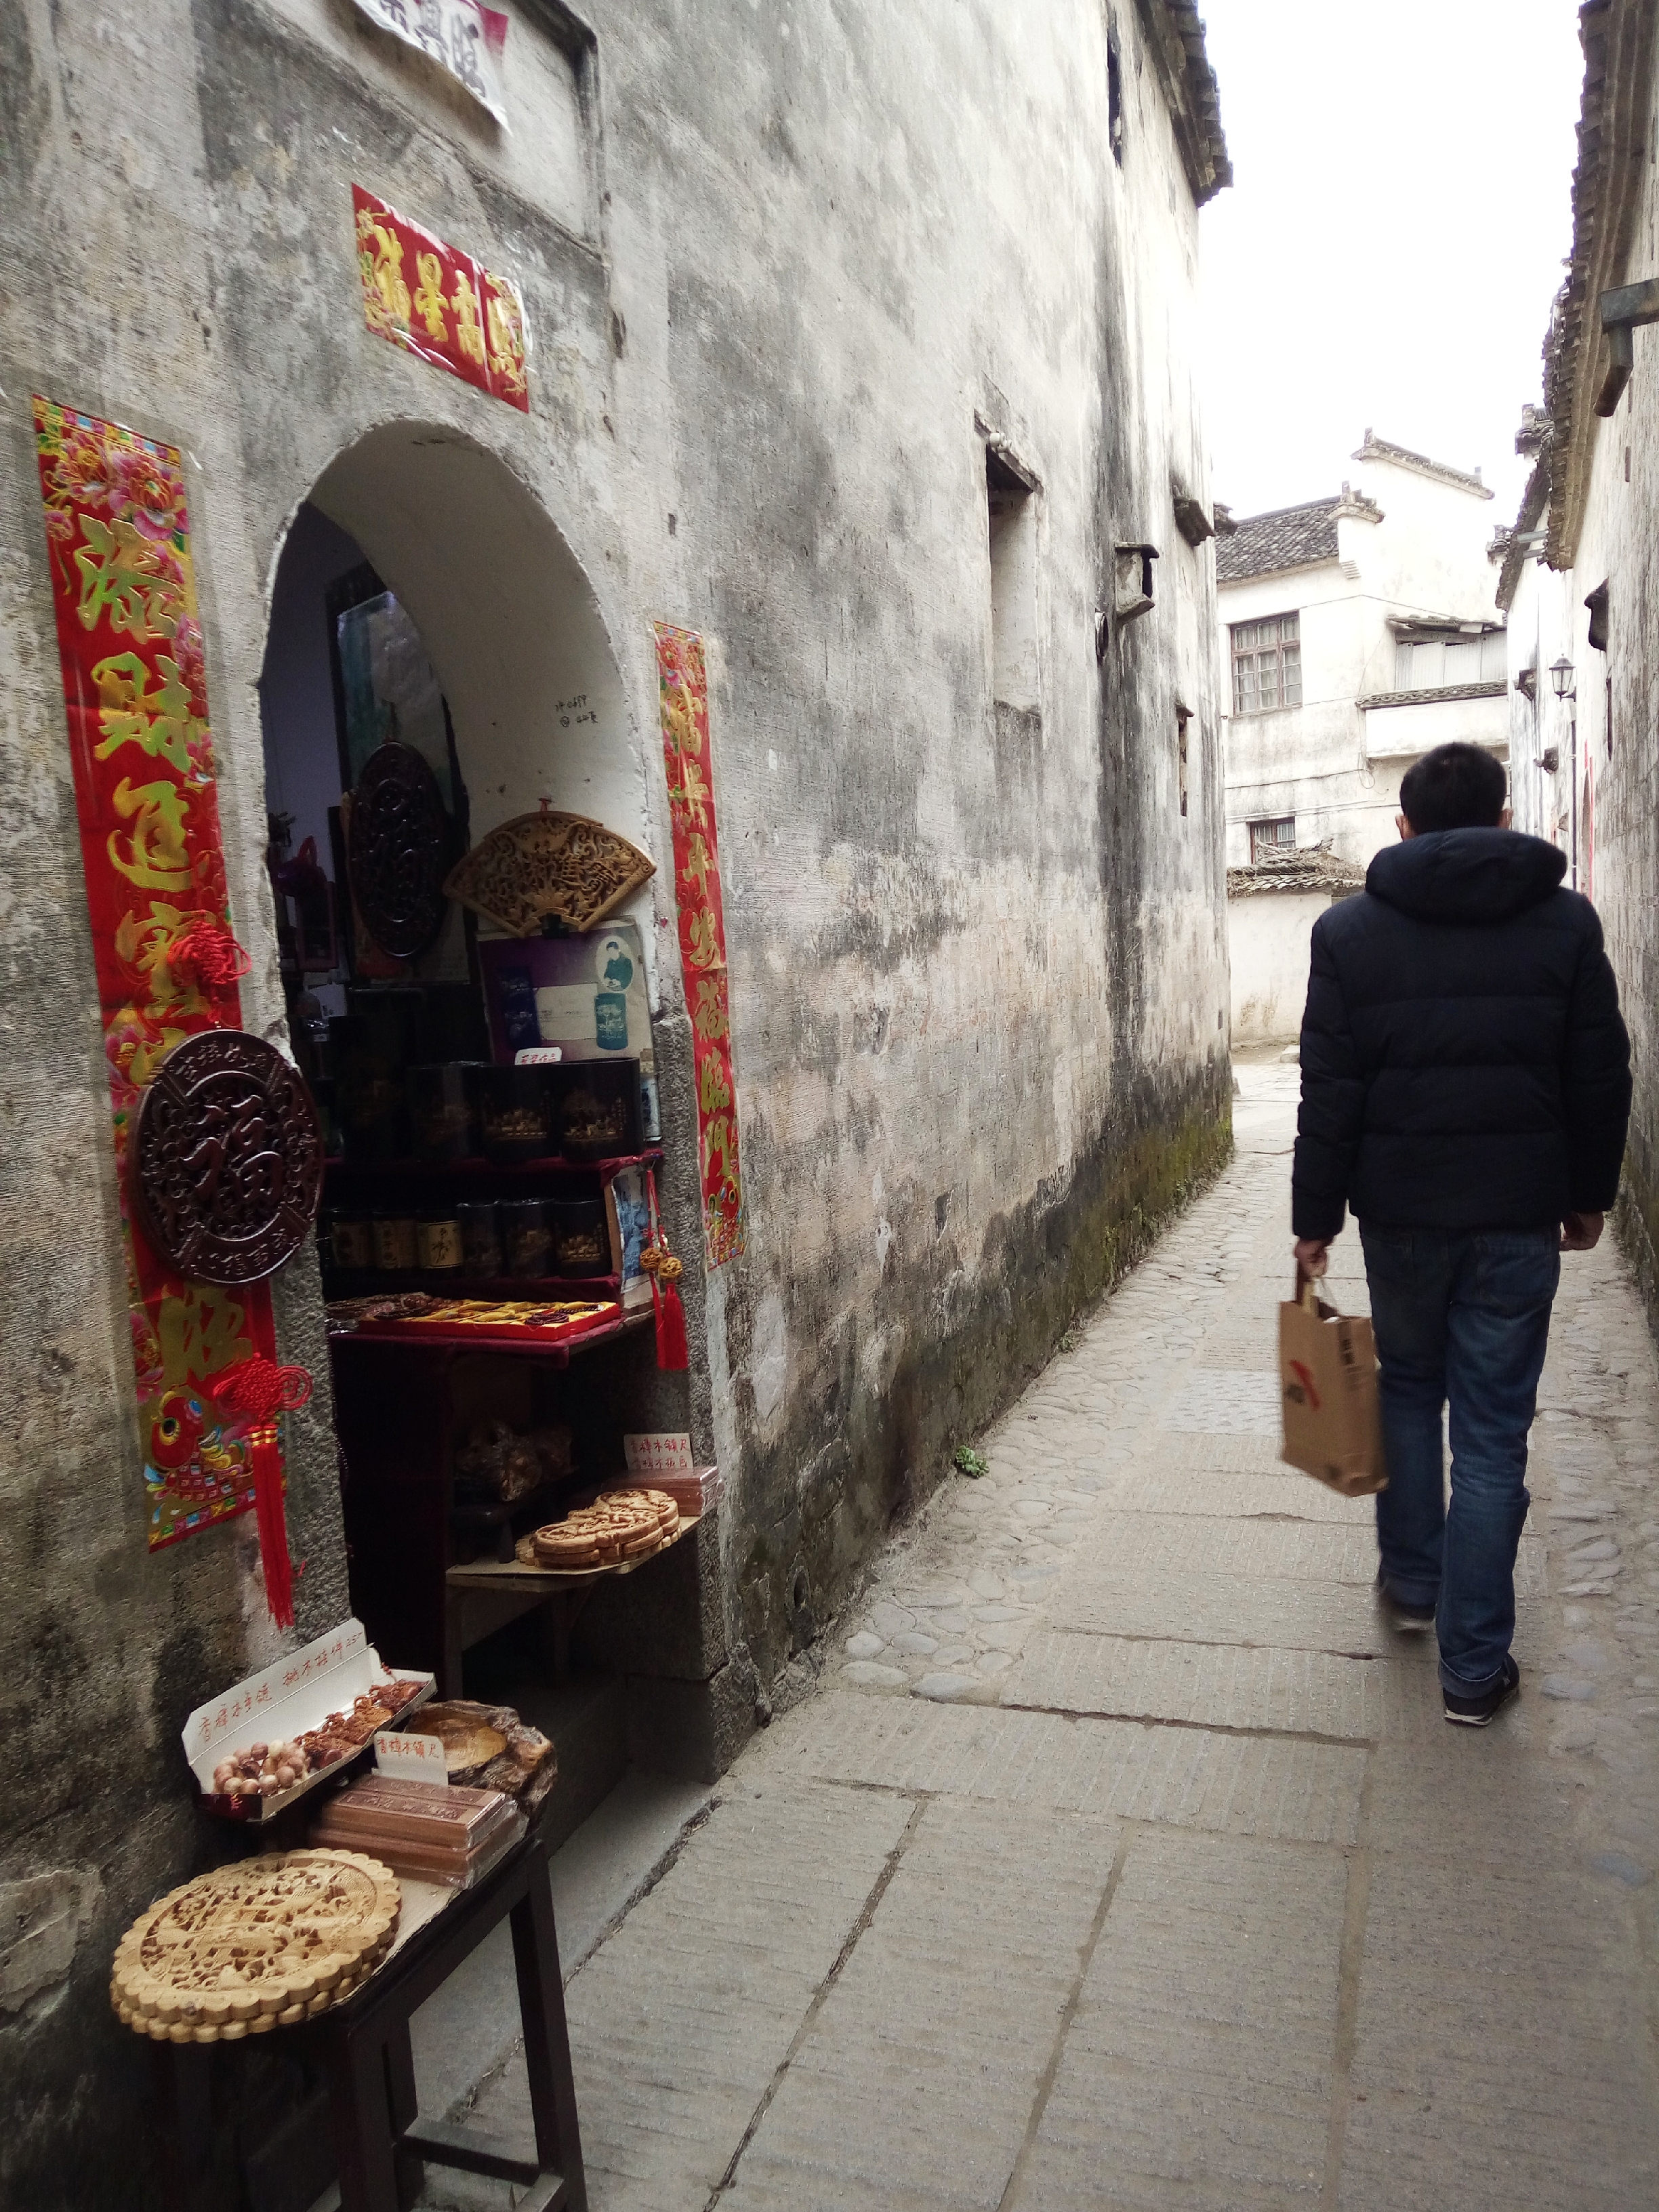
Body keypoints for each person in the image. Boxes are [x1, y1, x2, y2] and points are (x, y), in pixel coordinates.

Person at [1291, 741, 1631, 1725]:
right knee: (1491, 1437)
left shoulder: (1346, 933)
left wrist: (1314, 1222)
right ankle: (1473, 1672)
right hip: (1517, 1220)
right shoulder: (1567, 922)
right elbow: (1599, 1074)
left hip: (1399, 1218)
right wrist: (1587, 1192)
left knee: (1406, 1388)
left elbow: (1330, 1090)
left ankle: (1412, 1584)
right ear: (1503, 819)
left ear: (1404, 829)